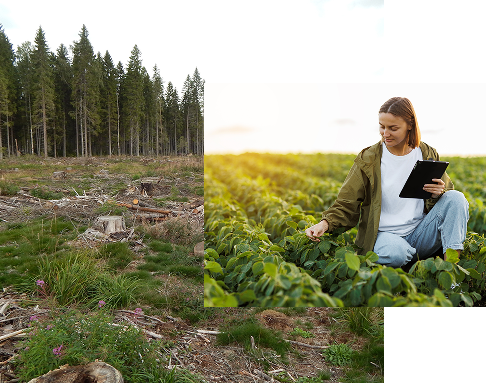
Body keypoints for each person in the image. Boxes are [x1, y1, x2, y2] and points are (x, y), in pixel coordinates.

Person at [305, 97, 469, 268]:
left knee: (456, 198)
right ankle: (417, 264)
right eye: (382, 126)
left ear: (410, 125)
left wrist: (438, 194)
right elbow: (346, 203)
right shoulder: (368, 159)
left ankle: (451, 273)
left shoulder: (426, 153)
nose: (385, 133)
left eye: (393, 128)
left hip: (420, 234)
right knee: (395, 252)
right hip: (385, 237)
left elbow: (448, 205)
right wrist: (325, 223)